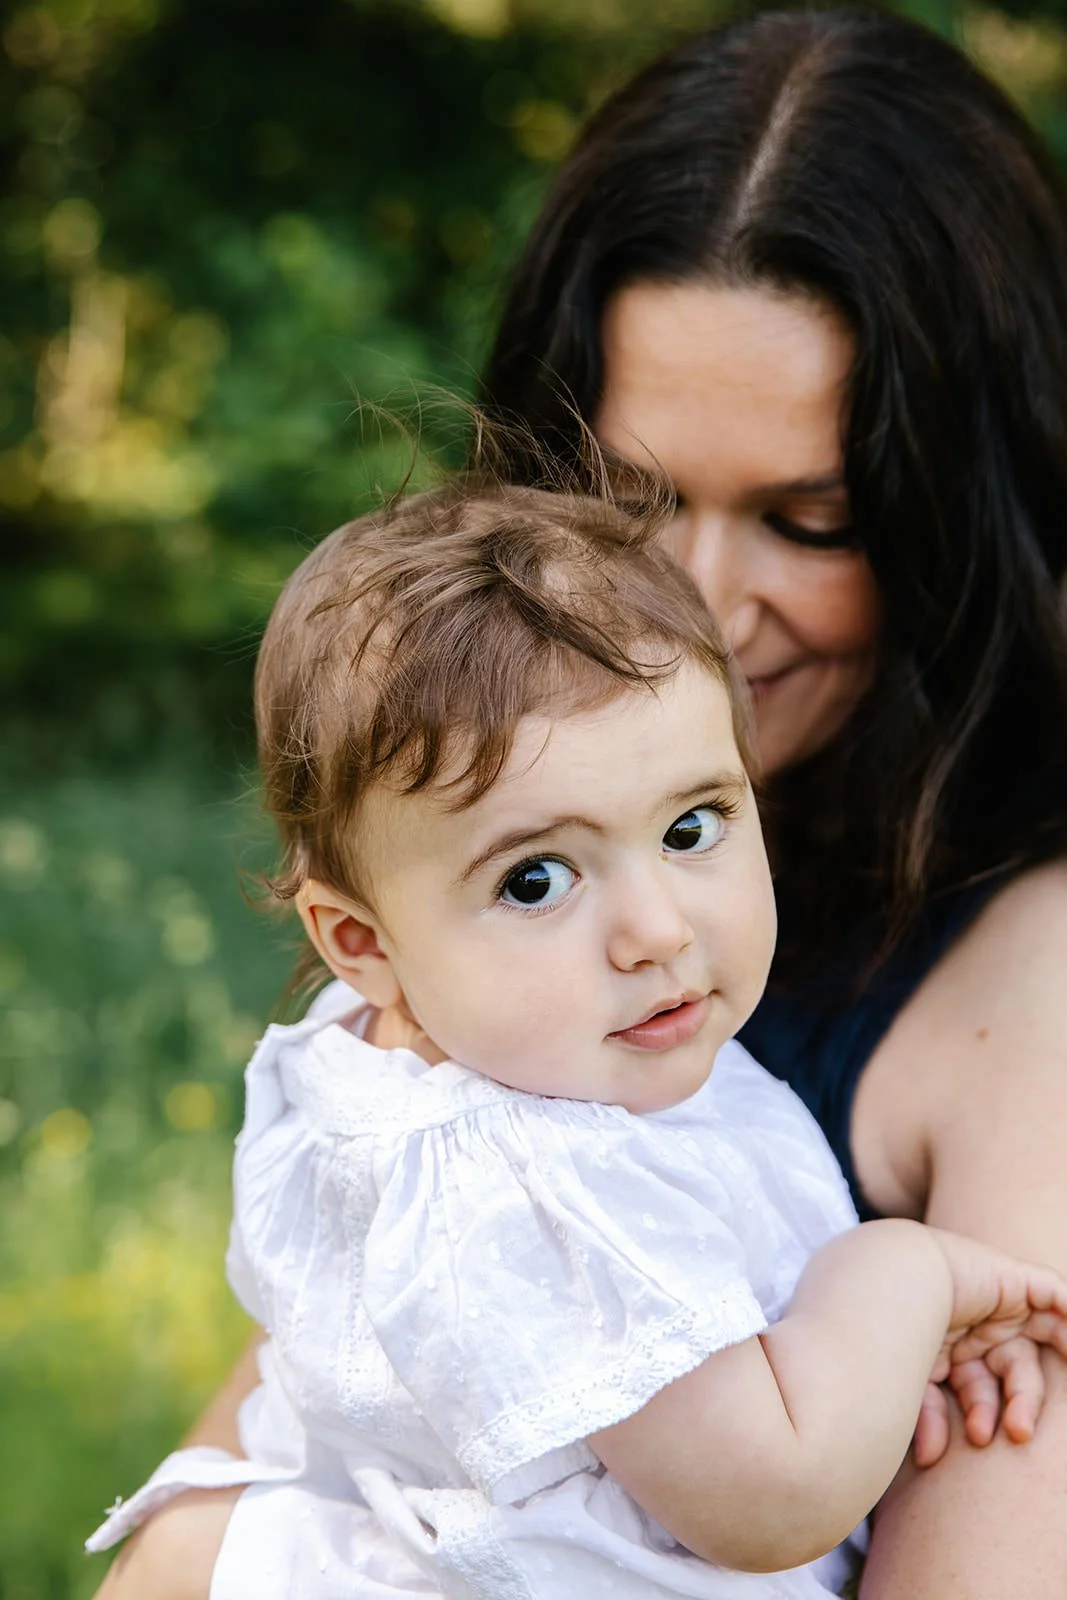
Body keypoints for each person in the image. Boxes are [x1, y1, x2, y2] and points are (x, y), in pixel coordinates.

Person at [92, 10, 1067, 1597]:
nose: (696, 607)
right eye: (626, 502)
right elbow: (269, 1459)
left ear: (969, 526)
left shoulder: (1025, 980)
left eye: (808, 521)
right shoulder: (478, 957)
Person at [86, 480, 1067, 1599]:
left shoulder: (422, 1052)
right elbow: (775, 1493)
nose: (654, 929)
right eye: (535, 879)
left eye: (691, 826)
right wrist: (905, 1275)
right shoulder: (541, 1185)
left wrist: (889, 1367)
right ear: (362, 941)